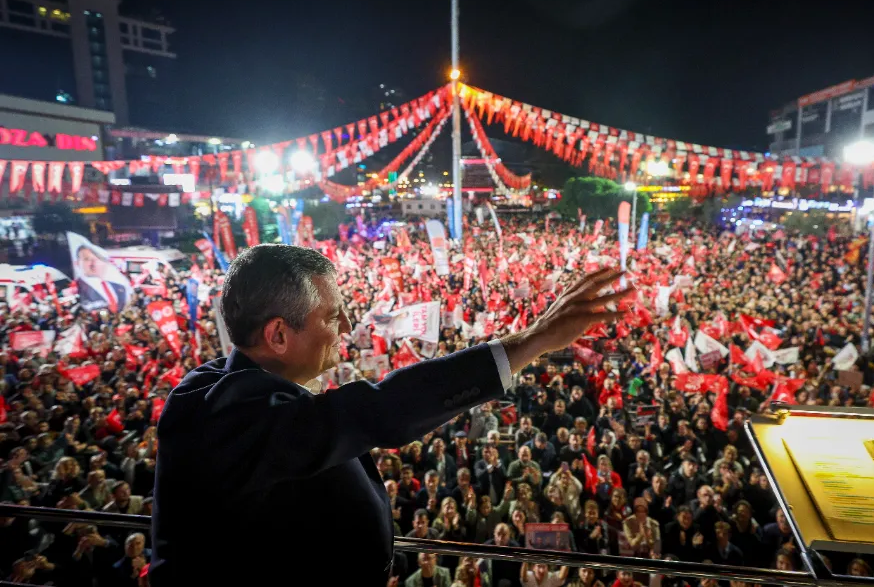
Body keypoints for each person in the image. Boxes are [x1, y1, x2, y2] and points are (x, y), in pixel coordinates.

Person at [150, 247, 630, 586]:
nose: (346, 328)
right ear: (278, 335)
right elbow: (378, 409)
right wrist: (533, 341)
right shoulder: (233, 417)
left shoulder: (225, 390)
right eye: (331, 316)